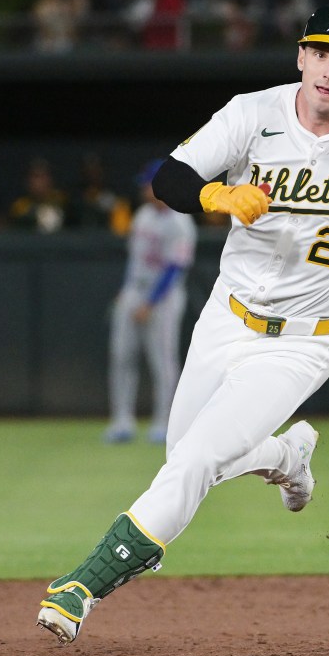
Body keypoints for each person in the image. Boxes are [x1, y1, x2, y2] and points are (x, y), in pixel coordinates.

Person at [36, 3, 329, 644]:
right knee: (187, 453)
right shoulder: (251, 115)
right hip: (225, 318)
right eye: (321, 53)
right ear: (302, 56)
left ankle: (82, 586)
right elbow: (172, 178)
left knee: (194, 462)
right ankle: (287, 455)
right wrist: (213, 194)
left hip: (301, 342)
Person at [104, 158, 197, 445]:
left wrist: (150, 302)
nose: (144, 189)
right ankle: (122, 421)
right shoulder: (143, 215)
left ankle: (165, 423)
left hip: (164, 297)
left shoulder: (180, 221)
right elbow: (135, 259)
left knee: (163, 361)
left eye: (148, 184)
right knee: (122, 355)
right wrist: (127, 290)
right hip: (135, 290)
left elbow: (175, 267)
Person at [9, 157, 68, 233]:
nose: (39, 182)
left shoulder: (62, 200)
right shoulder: (21, 206)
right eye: (36, 177)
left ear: (50, 179)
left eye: (43, 177)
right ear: (28, 181)